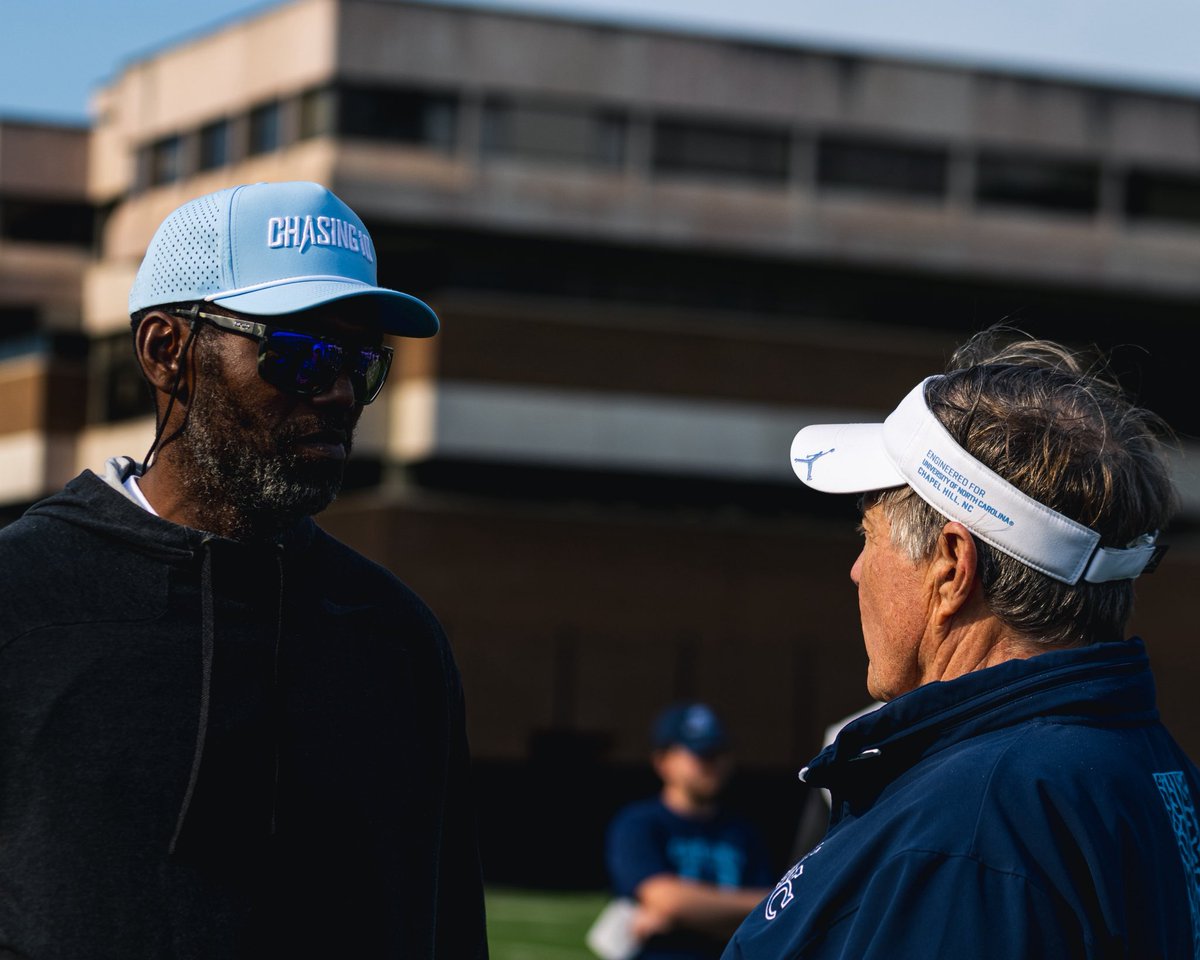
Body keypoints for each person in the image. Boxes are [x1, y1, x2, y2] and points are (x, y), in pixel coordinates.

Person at [0, 181, 487, 959]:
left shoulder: (397, 638)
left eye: (361, 361)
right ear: (168, 351)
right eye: (298, 353)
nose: (337, 392)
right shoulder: (20, 600)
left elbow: (449, 927)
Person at [722, 328, 1200, 959]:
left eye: (869, 534)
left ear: (951, 566)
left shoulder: (970, 834)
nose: (856, 570)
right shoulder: (1139, 765)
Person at [604, 702, 774, 959]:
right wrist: (749, 906)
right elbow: (666, 898)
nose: (712, 764)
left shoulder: (744, 831)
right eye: (700, 755)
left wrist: (681, 916)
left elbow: (768, 915)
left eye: (719, 753)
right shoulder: (639, 823)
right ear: (663, 762)